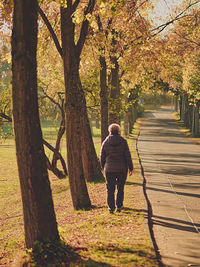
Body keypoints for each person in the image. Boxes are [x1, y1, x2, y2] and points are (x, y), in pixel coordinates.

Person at [100, 123, 133, 214]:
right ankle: (119, 206)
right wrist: (131, 168)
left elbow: (102, 156)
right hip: (122, 169)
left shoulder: (105, 142)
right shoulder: (123, 141)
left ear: (110, 131)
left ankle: (111, 208)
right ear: (118, 131)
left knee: (110, 189)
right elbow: (127, 156)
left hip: (109, 169)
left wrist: (103, 167)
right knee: (120, 188)